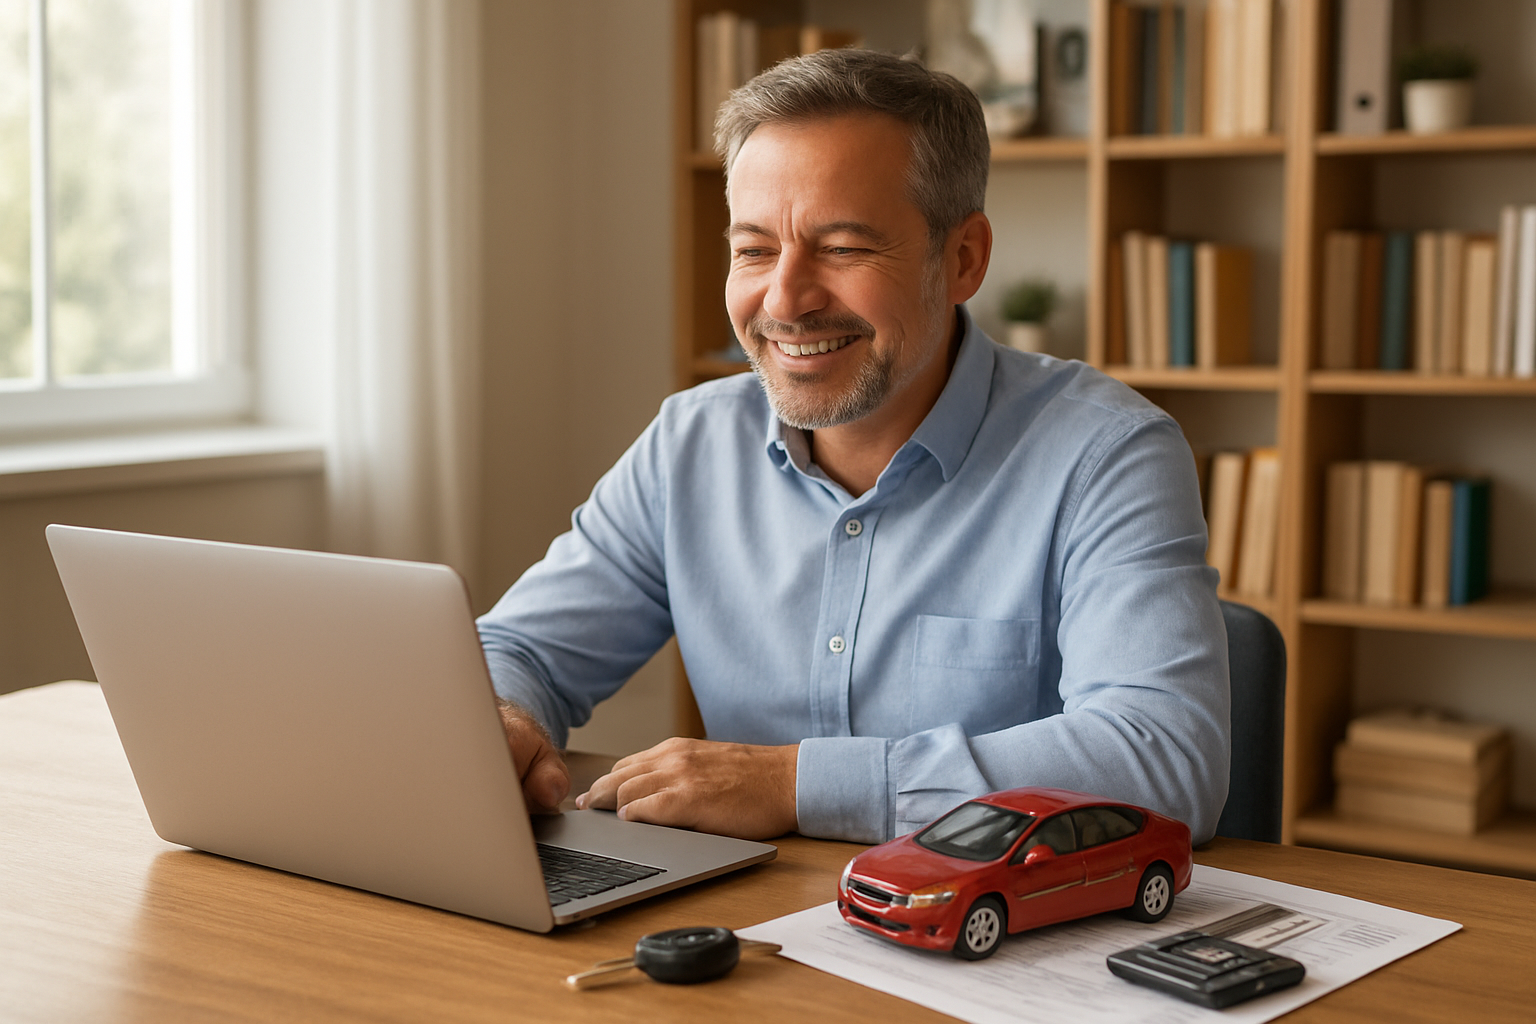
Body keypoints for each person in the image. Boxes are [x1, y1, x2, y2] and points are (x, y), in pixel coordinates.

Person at [478, 48, 1230, 846]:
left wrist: (796, 784)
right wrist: (504, 718)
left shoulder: (1106, 454)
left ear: (964, 257)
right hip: (748, 930)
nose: (786, 300)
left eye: (842, 248)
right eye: (755, 250)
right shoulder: (690, 445)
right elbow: (522, 647)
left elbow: (1163, 757)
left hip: (995, 936)